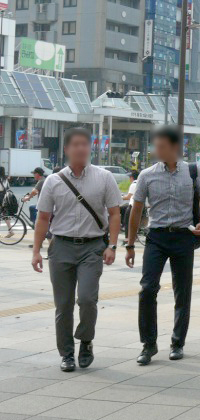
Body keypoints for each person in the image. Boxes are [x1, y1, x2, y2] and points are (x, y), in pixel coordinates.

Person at [31, 127, 121, 372]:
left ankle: (86, 341)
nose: (81, 148)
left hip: (92, 247)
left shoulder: (104, 177)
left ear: (90, 147)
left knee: (88, 299)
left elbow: (114, 214)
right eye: (76, 144)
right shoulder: (53, 181)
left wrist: (112, 245)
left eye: (85, 144)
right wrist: (36, 251)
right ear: (67, 149)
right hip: (61, 247)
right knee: (63, 304)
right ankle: (67, 354)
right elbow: (42, 218)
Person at [125, 125, 200, 365]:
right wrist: (130, 245)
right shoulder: (147, 175)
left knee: (182, 291)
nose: (156, 151)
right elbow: (136, 209)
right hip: (157, 238)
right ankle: (148, 344)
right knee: (147, 288)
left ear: (174, 147)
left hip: (183, 237)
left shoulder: (192, 171)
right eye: (156, 147)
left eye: (161, 147)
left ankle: (177, 342)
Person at [119, 170, 139, 237]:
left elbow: (128, 197)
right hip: (139, 205)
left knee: (127, 221)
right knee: (123, 208)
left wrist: (120, 197)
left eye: (129, 177)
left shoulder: (133, 184)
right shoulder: (140, 183)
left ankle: (127, 237)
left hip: (132, 205)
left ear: (131, 177)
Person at [0, 167, 14, 238]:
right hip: (6, 198)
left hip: (1, 199)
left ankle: (11, 231)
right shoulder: (5, 179)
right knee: (5, 216)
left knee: (4, 215)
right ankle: (11, 231)